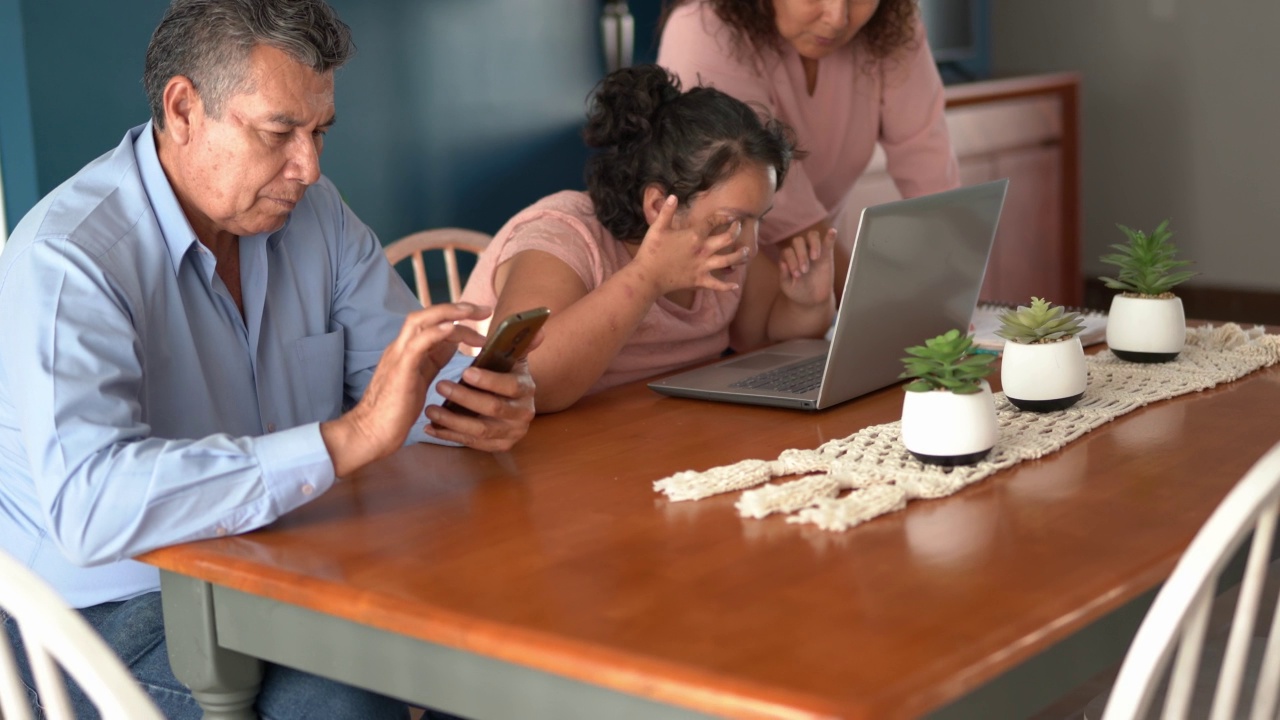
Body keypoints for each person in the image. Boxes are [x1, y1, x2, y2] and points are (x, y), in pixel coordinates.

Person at [0, 0, 535, 717]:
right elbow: (93, 509)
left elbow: (407, 382)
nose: (308, 167)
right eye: (280, 131)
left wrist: (471, 401)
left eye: (318, 132)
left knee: (488, 632)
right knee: (349, 694)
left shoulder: (315, 215)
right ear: (184, 109)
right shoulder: (72, 258)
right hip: (104, 612)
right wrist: (346, 438)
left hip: (278, 562)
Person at [458, 65, 836, 413]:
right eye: (730, 221)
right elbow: (528, 381)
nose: (751, 246)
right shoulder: (562, 236)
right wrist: (648, 278)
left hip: (651, 434)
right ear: (658, 205)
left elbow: (763, 338)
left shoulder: (724, 248)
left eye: (759, 220)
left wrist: (807, 305)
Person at [657, 0, 961, 297]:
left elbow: (933, 175)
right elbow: (783, 205)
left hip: (814, 297)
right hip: (716, 302)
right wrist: (887, 305)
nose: (837, 17)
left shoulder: (890, 27)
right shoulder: (703, 28)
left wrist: (956, 290)